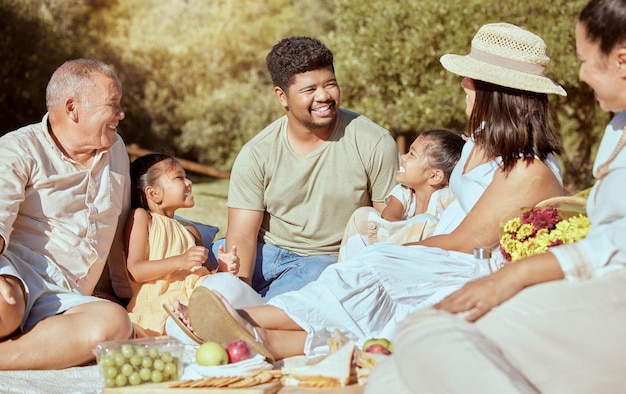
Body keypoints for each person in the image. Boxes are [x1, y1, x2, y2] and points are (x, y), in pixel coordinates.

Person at [179, 22, 567, 361]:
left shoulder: (527, 167)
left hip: (470, 259)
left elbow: (469, 239)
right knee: (367, 272)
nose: (463, 84)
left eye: (472, 79)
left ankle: (241, 320)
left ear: (496, 92)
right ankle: (259, 333)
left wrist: (396, 249)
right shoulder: (480, 140)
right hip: (445, 246)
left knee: (370, 270)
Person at [367, 3, 626, 392]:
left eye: (585, 61)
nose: (581, 74)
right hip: (593, 282)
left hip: (609, 292)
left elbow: (612, 246)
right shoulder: (618, 127)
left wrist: (512, 277)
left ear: (622, 60)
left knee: (426, 329)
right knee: (389, 377)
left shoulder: (529, 167)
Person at [210, 36, 400, 299]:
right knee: (202, 261)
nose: (323, 96)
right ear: (282, 96)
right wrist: (236, 292)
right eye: (309, 90)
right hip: (265, 252)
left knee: (301, 292)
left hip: (324, 260)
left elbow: (390, 227)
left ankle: (263, 318)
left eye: (330, 85)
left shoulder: (373, 142)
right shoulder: (256, 153)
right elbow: (241, 235)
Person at [0, 59, 133, 369]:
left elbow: (120, 233)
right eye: (112, 104)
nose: (121, 113)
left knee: (115, 324)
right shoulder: (18, 149)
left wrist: (130, 297)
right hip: (15, 272)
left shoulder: (116, 150)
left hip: (66, 298)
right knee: (6, 308)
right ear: (72, 108)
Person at [124, 153, 249, 337]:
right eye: (179, 177)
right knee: (173, 323)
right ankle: (194, 326)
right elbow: (135, 270)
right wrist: (179, 261)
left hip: (196, 294)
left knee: (228, 284)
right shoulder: (142, 218)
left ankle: (254, 324)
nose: (189, 183)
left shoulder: (190, 231)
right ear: (154, 193)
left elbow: (207, 274)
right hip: (161, 302)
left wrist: (223, 268)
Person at [339, 128, 465, 261]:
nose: (403, 157)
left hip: (424, 260)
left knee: (427, 221)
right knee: (362, 214)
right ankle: (350, 271)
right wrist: (404, 232)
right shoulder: (404, 191)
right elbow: (388, 217)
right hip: (392, 245)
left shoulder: (446, 197)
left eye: (412, 154)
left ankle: (380, 256)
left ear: (434, 176)